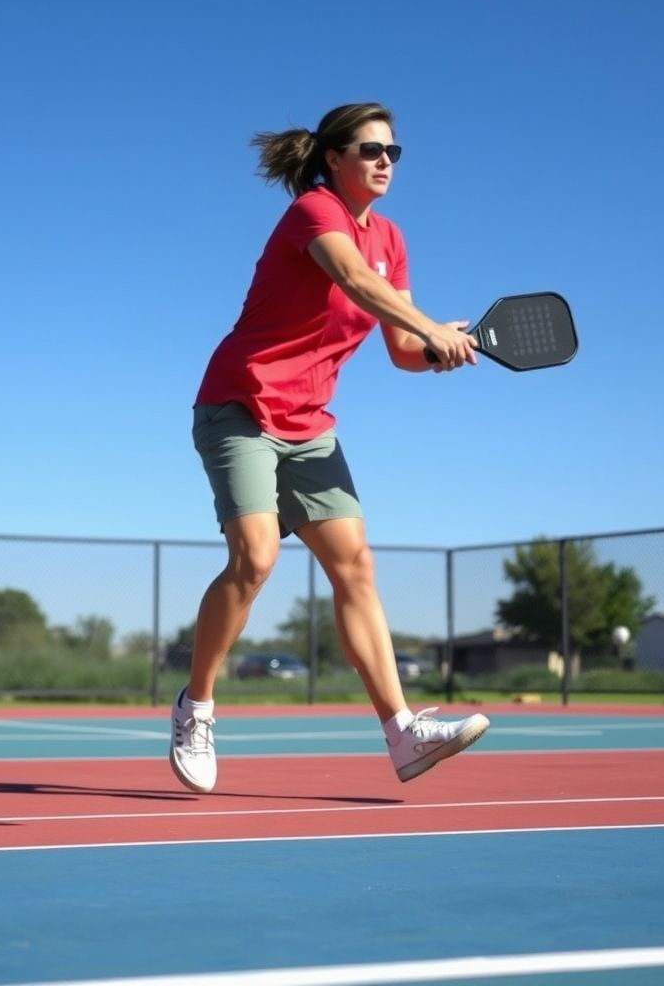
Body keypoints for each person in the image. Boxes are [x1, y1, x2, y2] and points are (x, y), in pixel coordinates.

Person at [170, 102, 489, 794]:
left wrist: (441, 349)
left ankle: (402, 735)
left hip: (311, 424)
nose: (385, 162)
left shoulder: (393, 238)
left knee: (356, 567)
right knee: (254, 558)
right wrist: (432, 325)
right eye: (371, 150)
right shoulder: (314, 212)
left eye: (393, 153)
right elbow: (354, 282)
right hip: (239, 405)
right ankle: (196, 708)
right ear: (334, 160)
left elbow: (404, 351)